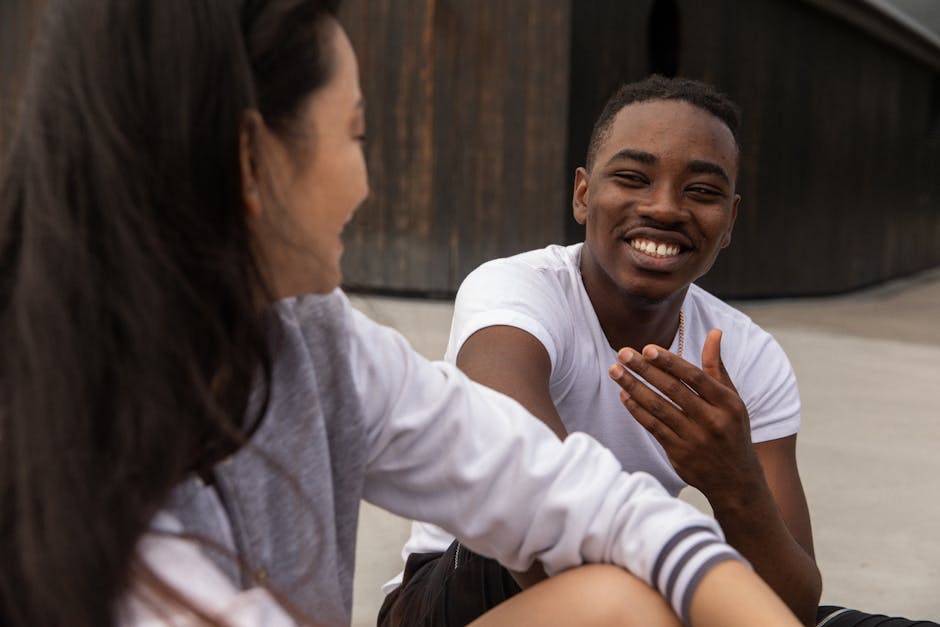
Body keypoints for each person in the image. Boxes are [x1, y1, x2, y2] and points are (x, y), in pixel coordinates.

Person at [0, 2, 804, 627]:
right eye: (355, 134)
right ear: (250, 160)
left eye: (701, 191)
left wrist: (729, 512)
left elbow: (553, 486)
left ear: (733, 215)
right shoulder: (60, 448)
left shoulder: (319, 342)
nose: (367, 185)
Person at [380, 76, 940, 627]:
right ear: (583, 194)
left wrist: (734, 481)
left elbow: (791, 609)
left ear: (730, 222)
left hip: (645, 584)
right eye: (633, 177)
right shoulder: (514, 292)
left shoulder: (747, 355)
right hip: (459, 594)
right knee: (526, 516)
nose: (667, 208)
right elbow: (530, 499)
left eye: (702, 191)